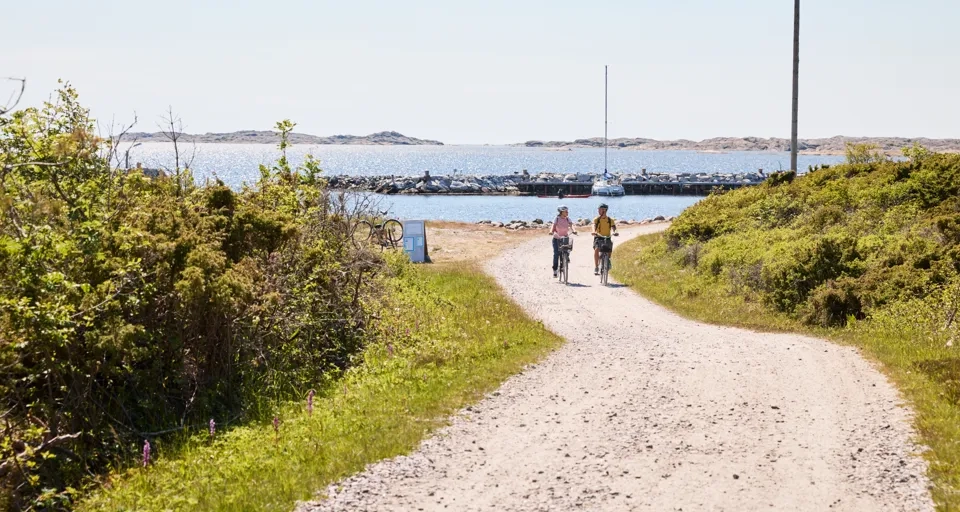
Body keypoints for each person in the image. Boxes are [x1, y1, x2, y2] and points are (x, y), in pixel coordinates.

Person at [550, 205, 577, 277]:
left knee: (567, 250)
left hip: (565, 238)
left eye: (567, 211)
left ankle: (566, 257)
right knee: (556, 254)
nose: (567, 213)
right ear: (561, 212)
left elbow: (571, 225)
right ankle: (555, 270)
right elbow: (553, 225)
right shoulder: (557, 218)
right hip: (557, 238)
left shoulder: (568, 219)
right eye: (566, 211)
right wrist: (551, 231)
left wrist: (574, 230)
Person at [592, 203, 618, 275]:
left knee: (609, 248)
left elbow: (614, 228)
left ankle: (608, 260)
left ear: (604, 210)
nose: (598, 211)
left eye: (600, 209)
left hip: (607, 237)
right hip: (598, 237)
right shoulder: (596, 219)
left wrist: (615, 232)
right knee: (597, 249)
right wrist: (594, 232)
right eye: (598, 209)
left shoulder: (610, 220)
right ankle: (596, 267)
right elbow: (593, 226)